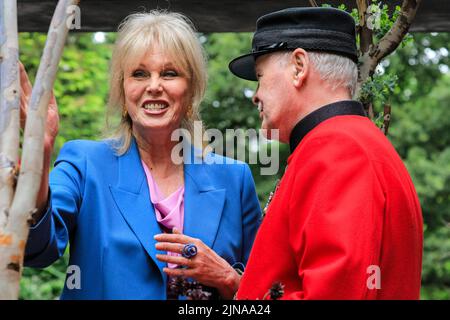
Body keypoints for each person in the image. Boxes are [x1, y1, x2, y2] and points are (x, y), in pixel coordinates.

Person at [21, 10, 261, 299]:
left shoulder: (235, 179)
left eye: (170, 73)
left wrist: (228, 278)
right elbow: (36, 250)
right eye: (139, 74)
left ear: (190, 91)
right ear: (123, 91)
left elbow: (264, 292)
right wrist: (40, 149)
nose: (154, 86)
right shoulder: (84, 163)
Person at [228, 7, 423, 299]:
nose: (256, 94)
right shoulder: (348, 142)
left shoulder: (340, 150)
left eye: (260, 76)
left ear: (298, 67)